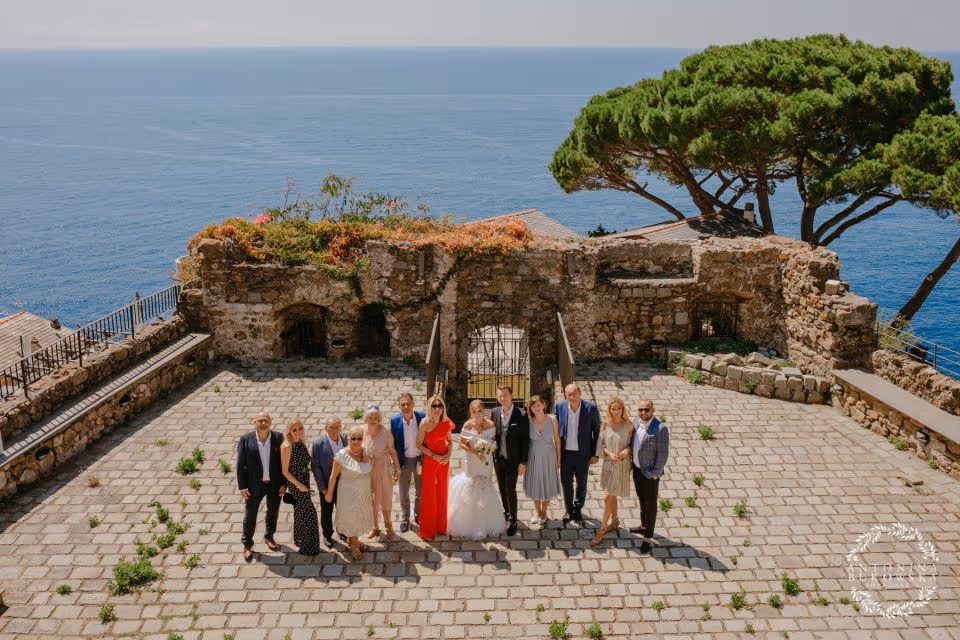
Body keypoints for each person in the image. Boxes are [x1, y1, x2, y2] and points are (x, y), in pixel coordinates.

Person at [447, 399, 506, 539]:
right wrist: (476, 452)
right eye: (474, 411)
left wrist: (487, 450)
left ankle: (486, 521)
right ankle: (470, 521)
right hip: (472, 460)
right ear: (470, 412)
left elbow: (492, 442)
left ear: (483, 410)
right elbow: (461, 444)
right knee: (472, 486)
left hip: (486, 460)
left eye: (479, 411)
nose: (477, 414)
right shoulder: (468, 425)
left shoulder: (490, 425)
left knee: (485, 485)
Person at [236, 412, 286, 562]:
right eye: (260, 420)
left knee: (273, 512)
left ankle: (269, 536)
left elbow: (284, 463)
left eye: (266, 420)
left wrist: (284, 483)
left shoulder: (278, 437)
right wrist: (242, 487)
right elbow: (240, 465)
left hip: (274, 484)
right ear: (254, 422)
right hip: (254, 486)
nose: (263, 422)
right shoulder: (246, 440)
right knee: (250, 516)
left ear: (270, 422)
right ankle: (247, 545)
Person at [325, 426, 375, 560]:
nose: (356, 441)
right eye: (353, 438)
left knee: (360, 516)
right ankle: (354, 545)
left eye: (359, 438)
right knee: (352, 517)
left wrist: (373, 489)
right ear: (348, 439)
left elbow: (371, 471)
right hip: (348, 493)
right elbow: (333, 476)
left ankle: (354, 541)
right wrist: (329, 494)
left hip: (363, 492)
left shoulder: (366, 452)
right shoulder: (341, 456)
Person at [555, 382, 601, 526]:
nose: (572, 396)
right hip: (566, 454)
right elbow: (555, 431)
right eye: (569, 394)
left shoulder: (591, 408)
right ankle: (569, 509)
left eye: (574, 393)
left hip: (583, 454)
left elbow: (598, 431)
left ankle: (578, 508)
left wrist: (595, 454)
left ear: (580, 393)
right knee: (566, 483)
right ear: (565, 395)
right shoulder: (560, 407)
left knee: (582, 483)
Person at [591, 398, 634, 547]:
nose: (616, 412)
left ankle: (601, 530)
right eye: (613, 409)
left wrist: (625, 450)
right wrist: (609, 454)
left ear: (623, 409)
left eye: (618, 408)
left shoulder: (628, 425)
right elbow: (600, 445)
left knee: (608, 498)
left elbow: (632, 445)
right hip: (609, 463)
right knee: (612, 496)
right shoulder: (605, 424)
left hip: (621, 464)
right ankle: (614, 522)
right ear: (609, 410)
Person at [630, 399, 670, 553]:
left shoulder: (660, 428)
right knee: (641, 499)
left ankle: (647, 537)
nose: (643, 413)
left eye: (646, 410)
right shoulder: (636, 422)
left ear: (653, 410)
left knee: (651, 504)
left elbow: (663, 453)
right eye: (640, 410)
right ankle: (643, 525)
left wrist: (655, 474)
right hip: (637, 470)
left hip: (650, 474)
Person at [280, 419, 320, 556]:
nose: (297, 432)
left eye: (300, 429)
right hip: (296, 484)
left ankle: (299, 539)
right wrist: (300, 485)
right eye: (294, 430)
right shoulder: (287, 446)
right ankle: (308, 547)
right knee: (309, 514)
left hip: (304, 481)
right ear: (289, 431)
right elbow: (285, 471)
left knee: (300, 511)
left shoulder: (300, 443)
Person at [492, 385, 529, 536]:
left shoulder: (521, 414)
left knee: (510, 490)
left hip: (513, 460)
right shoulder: (494, 412)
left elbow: (526, 440)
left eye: (505, 395)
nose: (503, 398)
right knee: (501, 488)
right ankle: (506, 513)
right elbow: (493, 434)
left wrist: (523, 462)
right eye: (500, 396)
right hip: (498, 458)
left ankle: (513, 519)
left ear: (511, 396)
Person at [417, 394, 455, 540]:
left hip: (444, 462)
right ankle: (427, 530)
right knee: (429, 495)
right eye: (434, 406)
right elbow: (418, 444)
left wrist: (449, 454)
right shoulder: (424, 423)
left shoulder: (447, 422)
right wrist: (433, 456)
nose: (437, 408)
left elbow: (450, 441)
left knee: (442, 493)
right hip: (430, 461)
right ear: (430, 407)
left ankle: (440, 527)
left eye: (440, 406)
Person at [362, 405, 401, 540]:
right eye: (370, 417)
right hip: (368, 471)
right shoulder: (362, 432)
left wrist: (398, 469)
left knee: (385, 499)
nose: (373, 420)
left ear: (379, 419)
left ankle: (388, 526)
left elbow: (392, 452)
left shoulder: (385, 433)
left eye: (376, 418)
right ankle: (375, 527)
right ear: (366, 418)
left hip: (383, 470)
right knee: (372, 501)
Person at [522, 394, 561, 527]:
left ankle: (544, 512)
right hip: (533, 456)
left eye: (539, 404)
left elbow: (557, 440)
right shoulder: (528, 421)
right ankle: (537, 512)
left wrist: (558, 458)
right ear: (530, 408)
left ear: (544, 405)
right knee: (535, 483)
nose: (536, 407)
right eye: (533, 405)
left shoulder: (553, 419)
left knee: (547, 482)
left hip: (549, 456)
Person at [389, 393, 425, 533]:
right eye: (402, 404)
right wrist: (394, 462)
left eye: (408, 403)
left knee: (420, 490)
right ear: (399, 406)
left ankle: (418, 515)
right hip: (403, 460)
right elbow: (392, 443)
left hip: (419, 460)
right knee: (403, 491)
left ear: (413, 404)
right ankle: (405, 517)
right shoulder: (394, 420)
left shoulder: (421, 417)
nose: (406, 406)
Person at [312, 416, 348, 548]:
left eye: (337, 427)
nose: (334, 430)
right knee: (327, 511)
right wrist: (322, 487)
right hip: (327, 484)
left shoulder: (345, 439)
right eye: (331, 427)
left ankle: (343, 531)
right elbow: (315, 466)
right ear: (325, 428)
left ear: (340, 427)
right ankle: (327, 534)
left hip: (344, 483)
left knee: (343, 509)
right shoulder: (318, 444)